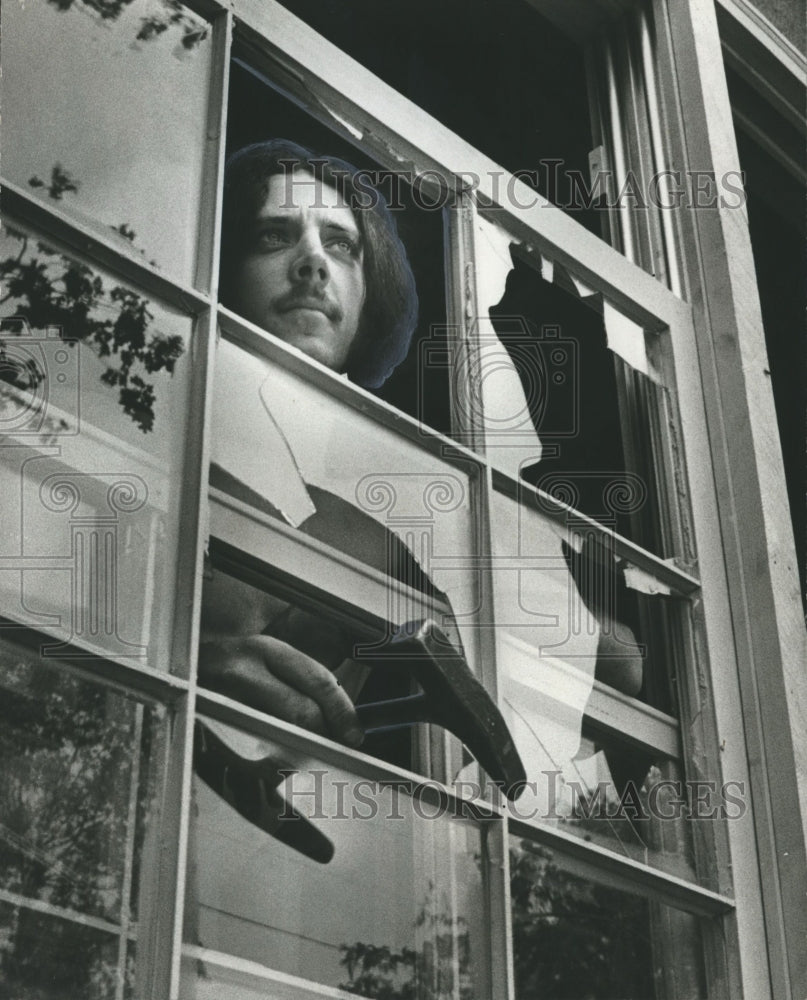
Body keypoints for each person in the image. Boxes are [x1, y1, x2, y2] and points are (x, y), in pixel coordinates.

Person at [200, 139, 421, 754]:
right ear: (220, 260)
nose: (313, 264)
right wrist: (188, 656)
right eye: (274, 236)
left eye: (341, 245)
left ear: (370, 291)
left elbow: (619, 669)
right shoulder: (159, 426)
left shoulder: (400, 513)